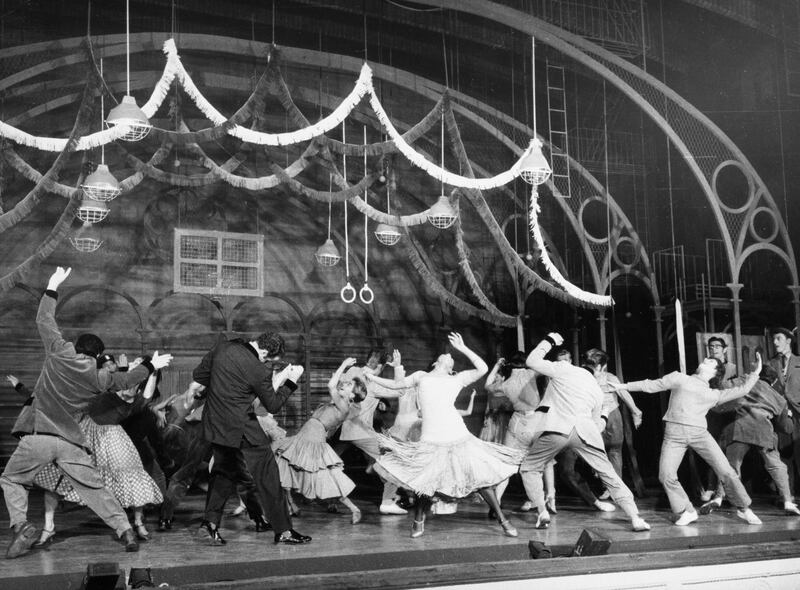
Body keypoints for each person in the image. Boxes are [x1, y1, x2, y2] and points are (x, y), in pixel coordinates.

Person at [0, 267, 172, 558]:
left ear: (77, 346)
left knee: (11, 478)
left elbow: (44, 320)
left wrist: (52, 286)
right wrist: (151, 365)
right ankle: (125, 530)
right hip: (71, 443)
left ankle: (21, 526)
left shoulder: (58, 352)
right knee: (94, 489)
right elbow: (127, 380)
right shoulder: (98, 377)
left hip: (39, 438)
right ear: (98, 355)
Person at [367, 332, 524, 539]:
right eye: (447, 355)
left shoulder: (457, 378)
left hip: (457, 434)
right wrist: (371, 377)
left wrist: (463, 347)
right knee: (425, 483)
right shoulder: (421, 376)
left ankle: (503, 520)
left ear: (451, 368)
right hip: (432, 438)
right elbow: (396, 385)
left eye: (452, 358)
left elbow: (483, 369)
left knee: (480, 479)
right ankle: (418, 520)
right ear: (436, 363)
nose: (448, 355)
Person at [187, 331, 310, 545]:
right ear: (264, 352)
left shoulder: (222, 347)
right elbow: (273, 405)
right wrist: (291, 381)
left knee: (223, 473)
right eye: (269, 360)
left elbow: (200, 375)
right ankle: (284, 531)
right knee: (268, 475)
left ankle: (209, 525)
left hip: (216, 423)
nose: (267, 363)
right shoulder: (258, 369)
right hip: (242, 427)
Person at [612, 350, 762, 526]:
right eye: (706, 358)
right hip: (674, 435)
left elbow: (743, 389)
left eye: (710, 361)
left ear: (715, 372)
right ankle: (687, 511)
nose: (705, 359)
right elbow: (651, 385)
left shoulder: (714, 394)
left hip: (699, 434)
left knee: (726, 471)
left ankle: (744, 508)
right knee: (666, 475)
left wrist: (756, 372)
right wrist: (623, 386)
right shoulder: (680, 378)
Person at [522, 333, 650, 532]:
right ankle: (635, 517)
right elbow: (597, 426)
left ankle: (542, 511)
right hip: (586, 434)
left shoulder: (564, 368)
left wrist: (550, 340)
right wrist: (605, 415)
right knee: (609, 474)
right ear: (600, 368)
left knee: (530, 468)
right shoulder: (597, 390)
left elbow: (531, 361)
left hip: (558, 430)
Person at [700, 364, 800, 516]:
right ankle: (788, 501)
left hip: (741, 430)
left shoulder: (746, 380)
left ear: (757, 374)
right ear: (773, 381)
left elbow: (722, 387)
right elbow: (786, 428)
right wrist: (791, 418)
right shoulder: (779, 399)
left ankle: (719, 498)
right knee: (776, 466)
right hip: (764, 432)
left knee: (730, 467)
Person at [274, 357, 365, 524]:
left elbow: (331, 385)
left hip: (313, 441)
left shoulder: (344, 406)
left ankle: (354, 509)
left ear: (352, 395)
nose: (344, 385)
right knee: (285, 466)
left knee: (325, 478)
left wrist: (344, 364)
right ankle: (291, 505)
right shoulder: (337, 403)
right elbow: (335, 385)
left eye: (349, 385)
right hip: (305, 437)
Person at [334, 350, 408, 515]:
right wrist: (397, 367)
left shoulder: (353, 372)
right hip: (360, 431)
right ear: (381, 366)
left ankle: (327, 498)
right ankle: (387, 500)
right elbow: (400, 391)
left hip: (342, 428)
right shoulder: (373, 384)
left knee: (329, 460)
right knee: (391, 460)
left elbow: (336, 385)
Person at [484, 352, 555, 513]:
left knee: (507, 464)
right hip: (534, 421)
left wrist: (497, 366)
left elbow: (487, 385)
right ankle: (548, 499)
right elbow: (548, 368)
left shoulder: (506, 383)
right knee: (542, 462)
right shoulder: (531, 373)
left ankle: (496, 502)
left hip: (516, 422)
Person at [771, 327, 800, 492]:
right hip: (781, 415)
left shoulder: (799, 361)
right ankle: (788, 496)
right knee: (784, 455)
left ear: (788, 341)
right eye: (774, 339)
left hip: (798, 414)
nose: (775, 342)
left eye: (778, 338)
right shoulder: (770, 364)